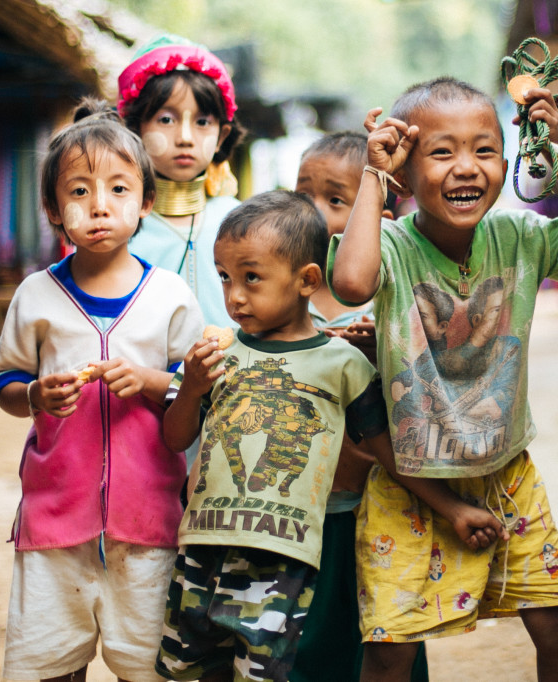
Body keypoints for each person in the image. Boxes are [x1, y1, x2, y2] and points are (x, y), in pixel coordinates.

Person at [330, 76, 558, 681]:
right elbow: (352, 285)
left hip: (507, 475)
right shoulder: (390, 245)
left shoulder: (519, 236)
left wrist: (557, 156)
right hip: (410, 485)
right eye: (442, 152)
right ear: (406, 167)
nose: (467, 168)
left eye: (485, 149)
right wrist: (371, 175)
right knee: (389, 651)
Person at [0, 99, 203, 682]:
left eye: (118, 189)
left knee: (151, 667)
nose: (99, 205)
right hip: (55, 522)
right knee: (49, 665)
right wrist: (33, 396)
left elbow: (200, 393)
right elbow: (0, 380)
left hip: (150, 524)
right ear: (54, 212)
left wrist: (157, 383)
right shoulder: (35, 294)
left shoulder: (171, 296)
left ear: (146, 203)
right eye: (78, 192)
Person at [154, 190, 392, 682]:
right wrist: (193, 388)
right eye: (224, 277)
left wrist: (451, 506)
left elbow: (385, 449)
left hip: (284, 556)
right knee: (194, 668)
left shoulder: (343, 362)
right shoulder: (214, 349)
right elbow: (176, 438)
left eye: (251, 277)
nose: (233, 296)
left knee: (263, 672)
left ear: (307, 280)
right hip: (204, 547)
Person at [289, 132, 429, 682]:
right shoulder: (287, 284)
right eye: (305, 194)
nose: (316, 213)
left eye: (336, 200)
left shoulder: (385, 285)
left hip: (383, 493)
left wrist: (380, 344)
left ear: (377, 213)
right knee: (312, 629)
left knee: (389, 625)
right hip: (311, 498)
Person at [118, 34, 246, 327]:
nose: (185, 138)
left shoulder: (242, 220)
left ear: (221, 136)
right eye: (166, 119)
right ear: (135, 129)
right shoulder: (117, 225)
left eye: (202, 122)